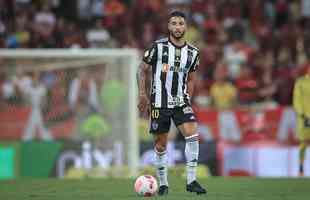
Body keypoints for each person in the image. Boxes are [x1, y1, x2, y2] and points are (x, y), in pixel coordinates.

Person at [137, 11, 207, 195]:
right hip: (159, 103)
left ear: (186, 27)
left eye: (181, 23)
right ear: (169, 27)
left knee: (192, 134)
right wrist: (143, 94)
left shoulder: (193, 53)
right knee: (161, 145)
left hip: (181, 102)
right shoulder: (158, 47)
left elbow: (191, 79)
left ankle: (191, 180)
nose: (177, 27)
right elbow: (141, 69)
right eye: (174, 23)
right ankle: (163, 184)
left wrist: (187, 99)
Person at [293, 64, 310, 176]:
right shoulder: (301, 82)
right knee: (303, 143)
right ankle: (300, 167)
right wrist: (302, 114)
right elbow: (297, 99)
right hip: (304, 117)